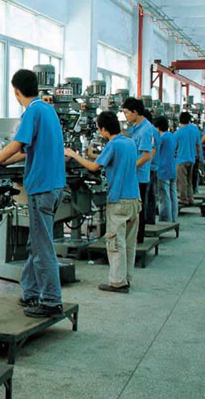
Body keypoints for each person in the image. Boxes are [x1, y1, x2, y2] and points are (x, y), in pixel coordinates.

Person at [0, 69, 65, 318]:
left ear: (16, 91)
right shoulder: (48, 110)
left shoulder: (32, 111)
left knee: (42, 247)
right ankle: (30, 292)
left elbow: (16, 144)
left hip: (42, 187)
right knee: (36, 243)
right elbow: (26, 151)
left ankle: (51, 301)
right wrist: (0, 162)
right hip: (54, 185)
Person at [65, 111, 139, 293]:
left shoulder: (113, 145)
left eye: (99, 129)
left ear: (104, 129)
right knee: (129, 243)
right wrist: (91, 155)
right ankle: (126, 278)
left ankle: (117, 282)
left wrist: (73, 155)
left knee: (115, 242)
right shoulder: (129, 142)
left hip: (119, 200)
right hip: (134, 199)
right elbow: (114, 160)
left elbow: (94, 167)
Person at [121, 98, 153, 244]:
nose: (126, 116)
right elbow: (129, 136)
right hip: (134, 174)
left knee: (138, 208)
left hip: (139, 176)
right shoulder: (136, 126)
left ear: (135, 112)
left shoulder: (145, 130)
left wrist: (129, 168)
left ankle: (138, 238)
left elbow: (146, 156)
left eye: (127, 113)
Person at [154, 116, 178, 223]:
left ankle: (165, 219)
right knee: (173, 195)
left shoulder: (161, 138)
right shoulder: (172, 136)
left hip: (163, 170)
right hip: (172, 168)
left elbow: (155, 152)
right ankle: (174, 218)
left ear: (157, 127)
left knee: (164, 196)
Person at [175, 112, 200, 206]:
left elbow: (174, 147)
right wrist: (197, 156)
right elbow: (198, 145)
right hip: (192, 159)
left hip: (181, 159)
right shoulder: (195, 130)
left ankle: (183, 199)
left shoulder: (178, 133)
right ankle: (190, 198)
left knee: (182, 181)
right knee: (189, 180)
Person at [142, 109, 159, 225]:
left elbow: (152, 150)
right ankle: (150, 218)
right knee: (151, 195)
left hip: (149, 167)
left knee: (146, 195)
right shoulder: (153, 130)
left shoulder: (149, 130)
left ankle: (146, 219)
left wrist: (145, 163)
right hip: (153, 166)